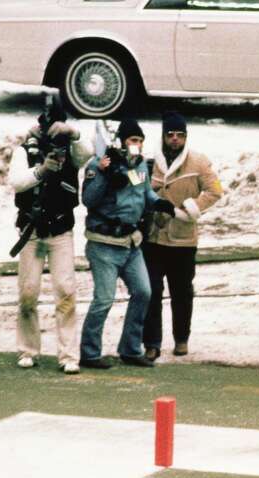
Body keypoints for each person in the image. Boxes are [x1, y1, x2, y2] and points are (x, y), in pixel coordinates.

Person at [79, 118, 176, 371]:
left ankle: (131, 349)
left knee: (144, 292)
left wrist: (159, 202)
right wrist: (105, 175)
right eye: (134, 140)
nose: (138, 145)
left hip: (131, 242)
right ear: (122, 142)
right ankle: (89, 353)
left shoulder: (140, 165)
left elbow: (144, 193)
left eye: (141, 141)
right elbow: (88, 199)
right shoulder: (100, 164)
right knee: (103, 299)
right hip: (104, 243)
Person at [8, 105, 91, 371]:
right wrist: (42, 170)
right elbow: (17, 182)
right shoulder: (24, 151)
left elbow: (88, 152)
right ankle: (27, 349)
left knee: (66, 292)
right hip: (31, 231)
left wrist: (73, 134)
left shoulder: (71, 152)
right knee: (28, 292)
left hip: (61, 231)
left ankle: (68, 355)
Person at [142, 112, 223, 361]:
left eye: (179, 135)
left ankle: (181, 339)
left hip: (183, 239)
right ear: (163, 136)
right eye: (170, 135)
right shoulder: (148, 164)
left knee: (182, 291)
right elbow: (137, 190)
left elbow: (215, 191)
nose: (175, 139)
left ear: (186, 137)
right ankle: (152, 343)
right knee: (151, 291)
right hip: (154, 236)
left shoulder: (198, 162)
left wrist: (191, 208)